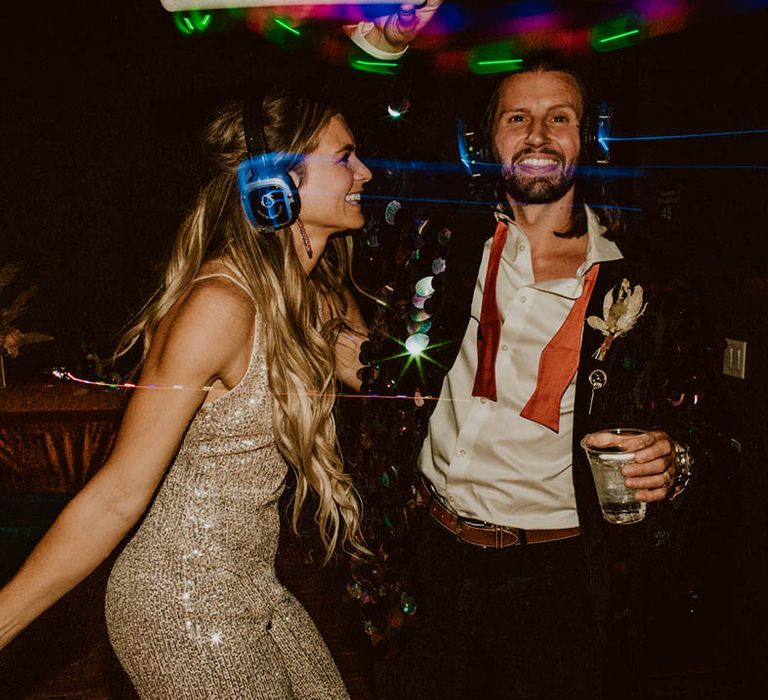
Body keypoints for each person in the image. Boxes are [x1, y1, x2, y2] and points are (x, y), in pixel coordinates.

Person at [350, 53, 733, 700]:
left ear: (591, 139)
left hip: (558, 580)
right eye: (516, 118)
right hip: (431, 558)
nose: (536, 135)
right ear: (484, 140)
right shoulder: (441, 244)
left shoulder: (647, 278)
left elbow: (715, 430)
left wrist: (680, 460)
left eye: (560, 118)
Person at [0, 87, 373, 698]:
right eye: (345, 156)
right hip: (181, 599)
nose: (365, 171)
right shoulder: (219, 307)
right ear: (278, 184)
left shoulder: (319, 298)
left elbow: (405, 389)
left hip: (256, 587)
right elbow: (117, 495)